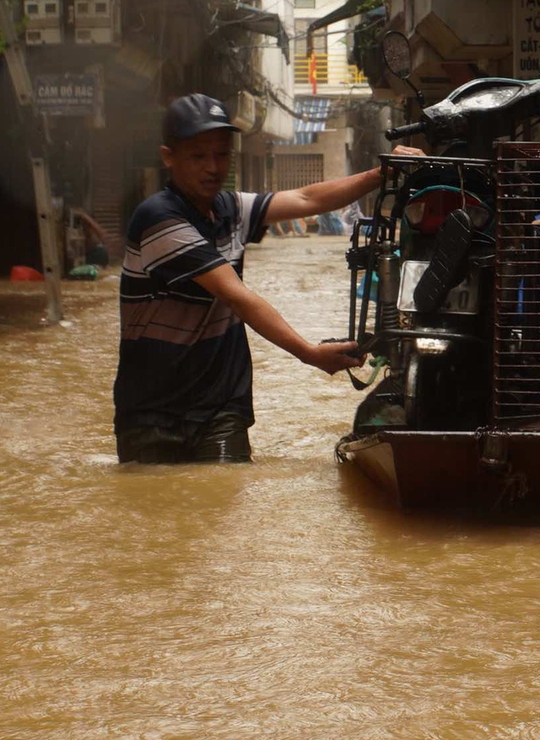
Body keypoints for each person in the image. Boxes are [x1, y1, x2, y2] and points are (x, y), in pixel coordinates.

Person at [114, 93, 422, 464]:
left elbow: (307, 199)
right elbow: (237, 297)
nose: (212, 166)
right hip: (153, 413)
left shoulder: (228, 208)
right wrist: (309, 354)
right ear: (169, 158)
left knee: (223, 505)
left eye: (221, 154)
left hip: (220, 408)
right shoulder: (159, 219)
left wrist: (380, 174)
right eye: (198, 156)